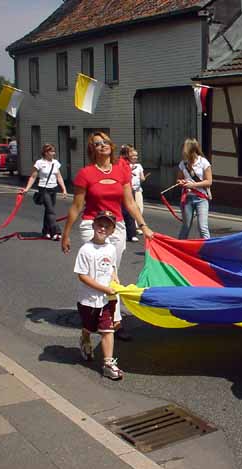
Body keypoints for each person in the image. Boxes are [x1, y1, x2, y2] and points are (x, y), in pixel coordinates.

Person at [62, 132, 154, 342]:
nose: (101, 145)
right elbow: (76, 207)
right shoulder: (85, 174)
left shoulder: (121, 171)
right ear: (91, 150)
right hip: (92, 226)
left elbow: (130, 203)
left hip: (116, 227)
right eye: (97, 144)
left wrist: (143, 226)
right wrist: (65, 234)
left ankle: (112, 319)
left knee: (112, 274)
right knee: (97, 274)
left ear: (111, 146)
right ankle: (98, 319)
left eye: (105, 142)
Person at [74, 210, 123, 380]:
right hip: (88, 300)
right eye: (100, 225)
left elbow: (112, 268)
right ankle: (85, 338)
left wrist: (115, 282)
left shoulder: (110, 248)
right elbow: (82, 276)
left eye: (107, 226)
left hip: (106, 299)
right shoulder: (86, 250)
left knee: (107, 330)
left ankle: (108, 363)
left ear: (112, 230)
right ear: (93, 226)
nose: (103, 228)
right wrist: (103, 289)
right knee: (89, 327)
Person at [20, 143, 68, 240]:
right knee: (51, 211)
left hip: (53, 188)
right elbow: (33, 177)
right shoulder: (39, 163)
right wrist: (27, 189)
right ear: (46, 153)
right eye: (52, 151)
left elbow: (59, 176)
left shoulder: (55, 163)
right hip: (43, 189)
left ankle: (45, 231)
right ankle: (55, 232)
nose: (54, 153)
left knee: (48, 211)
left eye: (54, 151)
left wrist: (64, 189)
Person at [176, 138, 212, 240]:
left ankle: (208, 249)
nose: (183, 152)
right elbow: (179, 179)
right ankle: (180, 249)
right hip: (187, 198)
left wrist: (193, 185)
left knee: (203, 227)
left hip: (201, 198)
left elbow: (209, 181)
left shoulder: (204, 162)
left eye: (185, 149)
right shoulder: (183, 164)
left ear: (191, 150)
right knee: (186, 226)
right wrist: (181, 182)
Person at [119, 145, 139, 243]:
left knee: (130, 212)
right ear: (126, 153)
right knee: (126, 212)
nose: (133, 155)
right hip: (123, 190)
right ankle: (129, 233)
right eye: (131, 152)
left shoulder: (127, 163)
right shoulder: (121, 162)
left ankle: (131, 233)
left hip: (129, 189)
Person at [129, 148, 146, 234]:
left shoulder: (139, 166)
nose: (135, 157)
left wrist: (142, 178)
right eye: (133, 155)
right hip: (129, 191)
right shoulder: (126, 165)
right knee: (131, 209)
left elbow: (142, 177)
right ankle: (132, 227)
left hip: (138, 190)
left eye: (136, 155)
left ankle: (138, 226)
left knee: (140, 208)